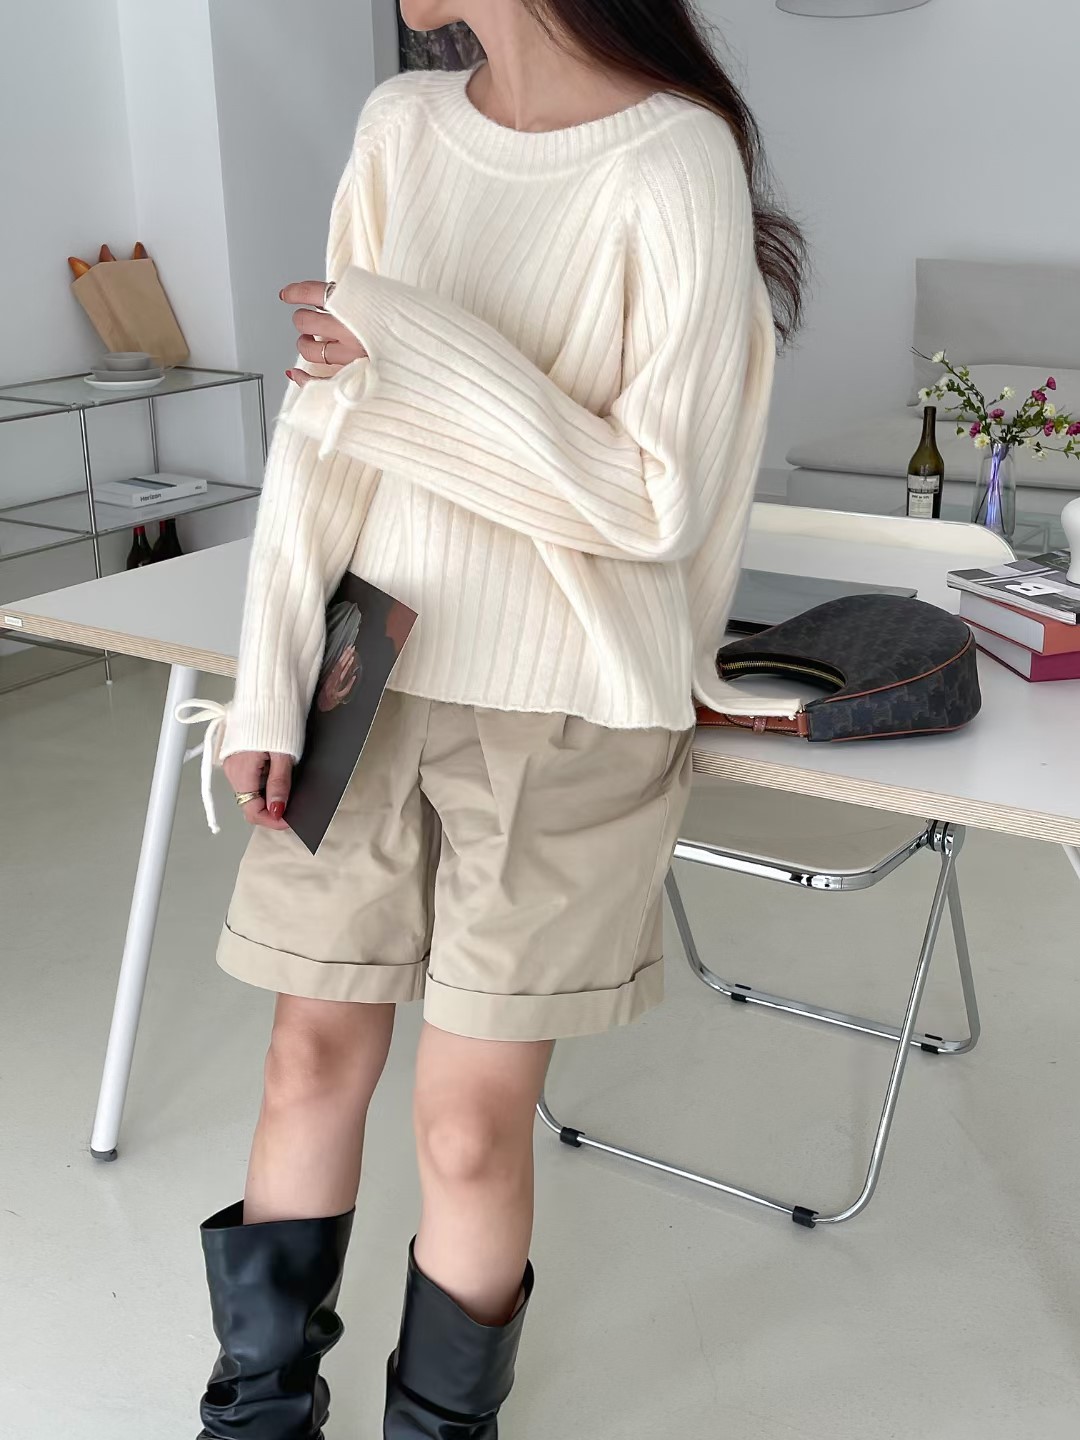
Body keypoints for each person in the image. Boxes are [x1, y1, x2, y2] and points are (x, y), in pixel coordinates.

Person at [193, 2, 806, 1437]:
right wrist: (268, 679)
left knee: (467, 1128)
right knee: (304, 1060)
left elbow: (653, 501)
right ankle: (254, 1418)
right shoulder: (401, 127)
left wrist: (407, 348)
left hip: (570, 707)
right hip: (364, 671)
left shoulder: (678, 158)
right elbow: (326, 429)